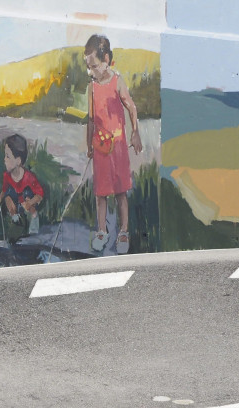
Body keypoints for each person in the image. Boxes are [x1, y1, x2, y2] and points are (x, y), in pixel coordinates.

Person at [84, 34, 142, 254]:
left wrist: (135, 133)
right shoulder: (92, 87)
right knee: (101, 192)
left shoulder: (118, 81)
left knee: (120, 191)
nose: (91, 71)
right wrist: (88, 144)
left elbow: (132, 107)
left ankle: (124, 231)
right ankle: (102, 230)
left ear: (106, 59)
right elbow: (90, 119)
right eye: (88, 67)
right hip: (100, 147)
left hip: (117, 146)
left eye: (94, 66)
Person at [0, 134, 44, 234]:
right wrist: (0, 197)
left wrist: (31, 202)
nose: (4, 159)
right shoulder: (7, 176)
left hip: (27, 202)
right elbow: (4, 190)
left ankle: (33, 222)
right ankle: (16, 221)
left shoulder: (29, 177)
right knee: (7, 197)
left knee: (28, 198)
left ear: (18, 161)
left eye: (8, 156)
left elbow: (40, 195)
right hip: (16, 201)